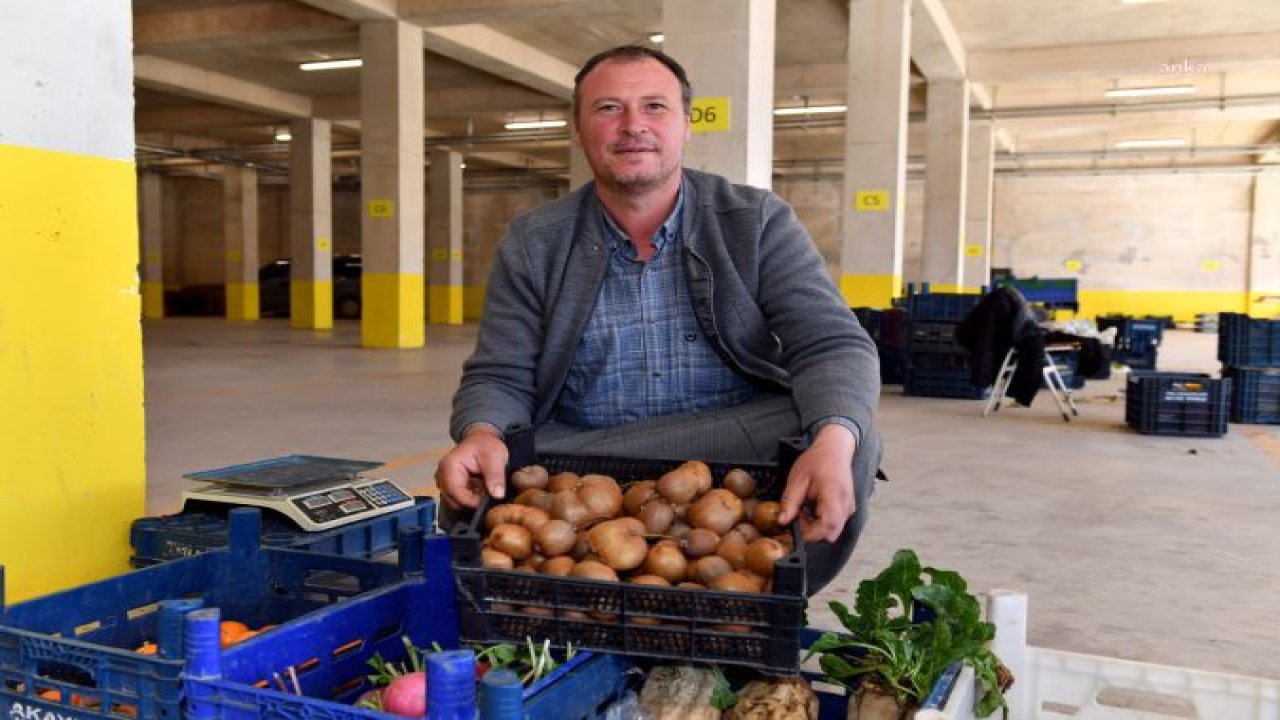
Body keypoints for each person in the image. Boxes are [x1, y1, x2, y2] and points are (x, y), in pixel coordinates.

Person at [435, 44, 882, 591]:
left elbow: (831, 343)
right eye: (608, 109)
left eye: (654, 107)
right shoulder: (535, 240)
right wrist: (481, 431)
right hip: (586, 453)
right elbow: (499, 372)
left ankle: (767, 602)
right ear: (579, 129)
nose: (632, 126)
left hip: (728, 444)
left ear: (686, 124)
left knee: (841, 434)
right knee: (480, 470)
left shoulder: (756, 220)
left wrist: (833, 440)